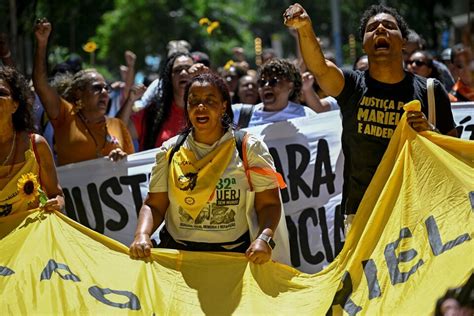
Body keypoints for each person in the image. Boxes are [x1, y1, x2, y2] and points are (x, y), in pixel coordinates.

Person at [284, 4, 457, 225]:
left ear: (404, 42)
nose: (380, 29)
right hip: (363, 215)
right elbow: (320, 68)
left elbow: (453, 152)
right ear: (364, 44)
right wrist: (304, 27)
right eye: (372, 27)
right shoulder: (352, 86)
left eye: (389, 26)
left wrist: (430, 133)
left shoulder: (431, 91)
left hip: (420, 212)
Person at [129, 73, 286, 265]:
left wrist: (264, 239)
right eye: (193, 101)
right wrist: (142, 234)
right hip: (178, 256)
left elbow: (268, 204)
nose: (200, 107)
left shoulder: (248, 148)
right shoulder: (170, 150)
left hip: (233, 258)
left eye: (209, 100)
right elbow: (154, 204)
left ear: (223, 106)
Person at [33, 18, 134, 166]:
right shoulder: (65, 116)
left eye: (106, 88)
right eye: (96, 88)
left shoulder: (117, 125)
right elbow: (41, 84)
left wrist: (120, 158)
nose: (104, 92)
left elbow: (132, 167)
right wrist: (42, 44)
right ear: (79, 93)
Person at [0, 66, 64, 217]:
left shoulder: (36, 145)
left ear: (15, 105)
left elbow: (57, 194)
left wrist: (57, 203)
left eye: (1, 93)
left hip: (32, 236)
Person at [118, 52, 207, 151]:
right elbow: (117, 134)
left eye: (188, 69)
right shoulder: (152, 114)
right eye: (177, 70)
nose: (183, 73)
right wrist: (129, 101)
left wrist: (206, 79)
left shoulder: (206, 112)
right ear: (170, 78)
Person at [233, 58, 316, 128]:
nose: (266, 86)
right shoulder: (238, 115)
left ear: (290, 86)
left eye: (274, 81)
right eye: (262, 82)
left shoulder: (307, 116)